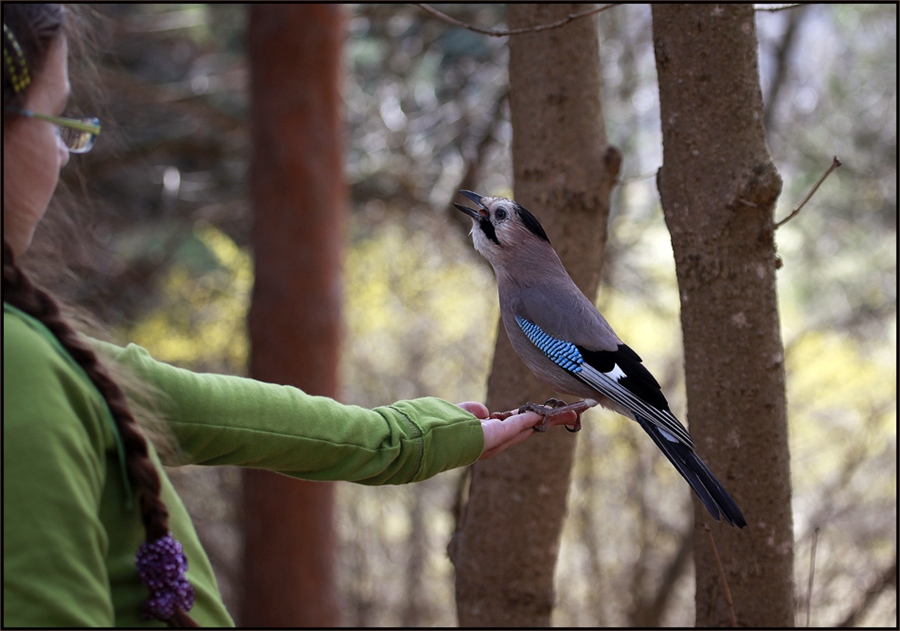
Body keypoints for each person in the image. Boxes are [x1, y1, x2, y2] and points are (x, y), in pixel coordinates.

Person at [2, 5, 574, 627]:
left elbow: (226, 414)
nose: (66, 154)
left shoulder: (34, 350)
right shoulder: (18, 371)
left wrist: (419, 439)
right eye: (59, 121)